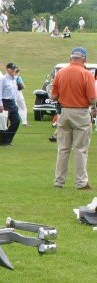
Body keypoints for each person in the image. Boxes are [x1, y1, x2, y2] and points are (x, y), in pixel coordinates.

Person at [52, 47, 97, 189]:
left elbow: (54, 96)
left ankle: (59, 181)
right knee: (81, 149)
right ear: (84, 58)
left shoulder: (61, 73)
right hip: (81, 113)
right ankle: (81, 182)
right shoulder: (86, 74)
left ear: (70, 57)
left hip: (64, 113)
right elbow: (92, 98)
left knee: (63, 149)